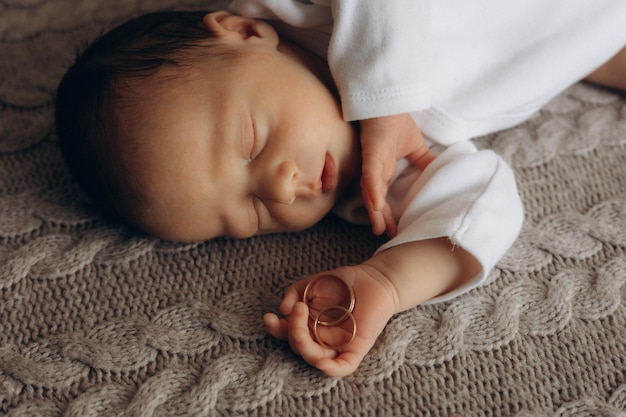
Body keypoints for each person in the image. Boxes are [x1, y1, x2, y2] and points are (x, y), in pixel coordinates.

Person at [54, 3, 626, 376]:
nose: (281, 189)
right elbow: (480, 201)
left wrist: (384, 97)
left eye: (251, 140)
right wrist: (387, 281)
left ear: (246, 32)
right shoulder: (372, 187)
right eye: (251, 213)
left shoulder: (303, 11)